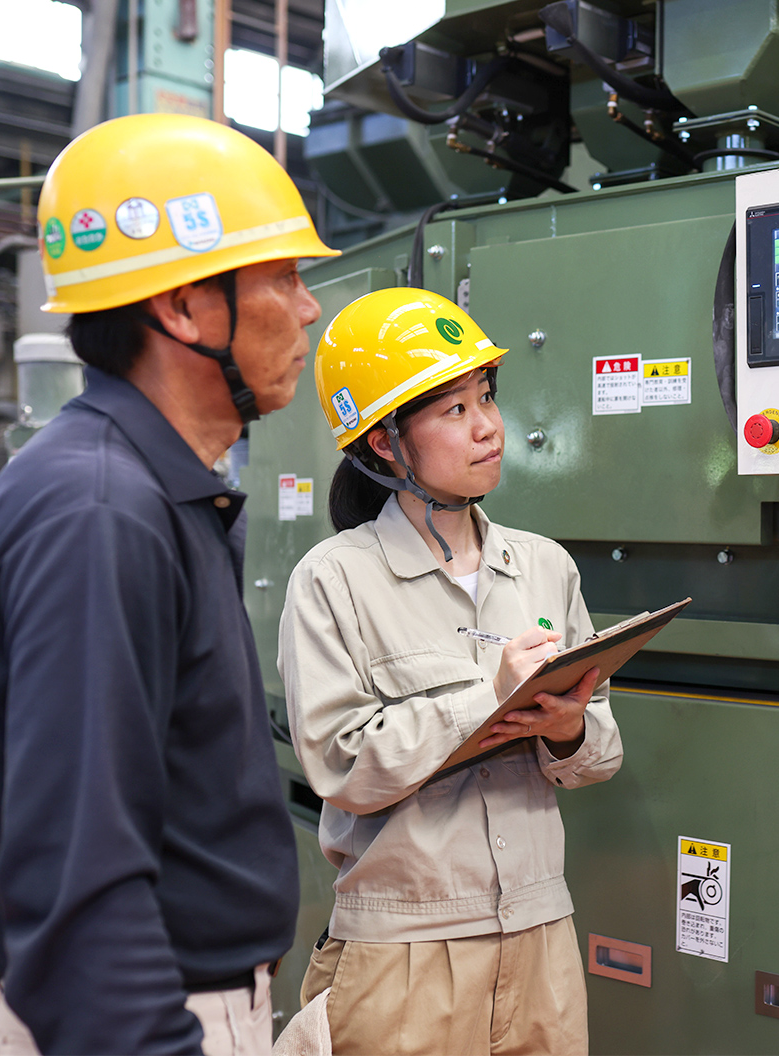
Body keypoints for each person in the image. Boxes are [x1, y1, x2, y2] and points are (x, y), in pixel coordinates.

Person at [0, 113, 339, 1054]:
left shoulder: (151, 488)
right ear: (183, 308)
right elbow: (79, 881)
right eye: (284, 278)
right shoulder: (101, 511)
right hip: (139, 1015)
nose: (308, 310)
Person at [278, 288, 623, 1055]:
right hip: (405, 954)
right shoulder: (334, 579)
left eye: (487, 397)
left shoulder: (543, 567)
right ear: (384, 443)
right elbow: (342, 768)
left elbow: (600, 754)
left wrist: (568, 730)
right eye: (453, 410)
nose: (489, 427)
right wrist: (488, 698)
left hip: (541, 936)